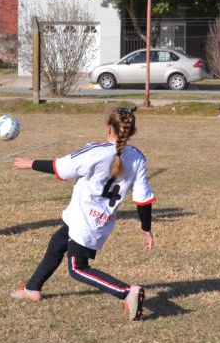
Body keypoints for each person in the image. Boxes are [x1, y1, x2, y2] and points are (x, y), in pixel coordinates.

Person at [11, 107, 154, 321]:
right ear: (131, 131)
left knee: (77, 268)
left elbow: (62, 168)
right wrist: (146, 228)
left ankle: (127, 292)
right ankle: (32, 288)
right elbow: (142, 199)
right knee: (57, 242)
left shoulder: (95, 151)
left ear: (108, 129)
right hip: (100, 222)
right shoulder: (138, 158)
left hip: (84, 220)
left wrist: (31, 164)